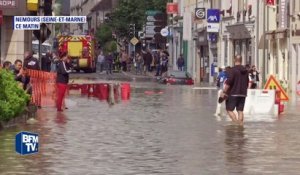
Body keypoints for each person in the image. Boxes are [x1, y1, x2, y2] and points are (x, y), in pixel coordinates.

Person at [221, 55, 249, 125]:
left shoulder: (232, 70)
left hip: (233, 93)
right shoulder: (245, 71)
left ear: (234, 60)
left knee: (229, 110)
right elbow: (247, 82)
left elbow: (229, 82)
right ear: (241, 60)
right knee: (240, 110)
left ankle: (236, 124)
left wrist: (224, 92)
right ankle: (240, 126)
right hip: (243, 93)